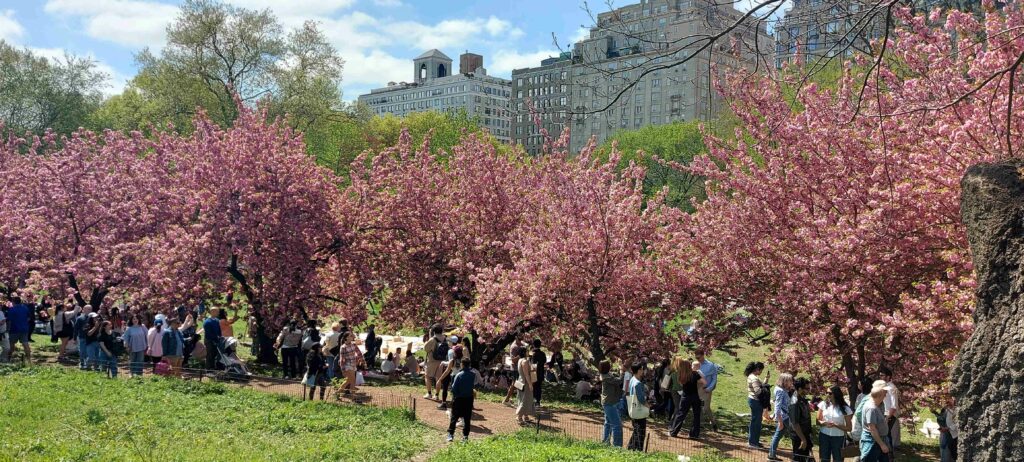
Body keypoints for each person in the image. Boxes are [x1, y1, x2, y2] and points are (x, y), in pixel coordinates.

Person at [669, 359, 707, 439]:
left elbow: (680, 383)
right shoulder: (695, 374)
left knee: (681, 414)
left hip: (686, 396)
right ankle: (694, 434)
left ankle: (673, 432)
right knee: (696, 415)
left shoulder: (681, 374)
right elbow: (704, 382)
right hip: (695, 396)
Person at [446, 352, 477, 442]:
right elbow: (474, 384)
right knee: (467, 418)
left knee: (454, 417)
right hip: (469, 399)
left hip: (459, 398)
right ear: (469, 365)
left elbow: (454, 388)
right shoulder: (472, 374)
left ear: (462, 365)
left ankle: (450, 434)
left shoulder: (458, 375)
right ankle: (465, 437)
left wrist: (455, 396)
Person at [818, 384, 854, 462]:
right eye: (826, 392)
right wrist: (824, 423)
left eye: (830, 393)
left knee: (838, 460)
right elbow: (818, 420)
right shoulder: (823, 404)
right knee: (824, 459)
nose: (827, 395)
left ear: (836, 394)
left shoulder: (845, 408)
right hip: (824, 436)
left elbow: (849, 428)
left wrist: (836, 425)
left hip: (838, 438)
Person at [860, 382, 892, 462]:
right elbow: (872, 429)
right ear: (880, 393)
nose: (886, 394)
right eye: (885, 392)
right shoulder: (871, 408)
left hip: (878, 441)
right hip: (873, 443)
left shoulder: (878, 405)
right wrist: (882, 445)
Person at [768, 373, 795, 461]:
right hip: (783, 417)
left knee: (778, 434)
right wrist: (780, 421)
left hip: (785, 416)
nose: (792, 382)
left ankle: (772, 454)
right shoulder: (780, 391)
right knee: (779, 434)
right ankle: (772, 455)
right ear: (785, 381)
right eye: (790, 380)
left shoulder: (782, 389)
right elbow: (777, 406)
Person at [598, 360, 623, 447]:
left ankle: (605, 442)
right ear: (607, 367)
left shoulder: (606, 375)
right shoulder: (607, 378)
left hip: (608, 402)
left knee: (608, 423)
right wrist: (622, 371)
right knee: (617, 425)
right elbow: (619, 381)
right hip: (610, 403)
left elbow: (614, 377)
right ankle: (617, 446)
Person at [790, 377, 814, 462]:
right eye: (807, 388)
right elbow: (795, 424)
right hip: (799, 436)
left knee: (805, 458)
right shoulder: (795, 403)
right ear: (800, 389)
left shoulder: (802, 398)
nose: (809, 390)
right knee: (798, 459)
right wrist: (803, 440)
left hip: (805, 434)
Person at [879, 365, 900, 460]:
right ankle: (887, 456)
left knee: (886, 435)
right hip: (884, 414)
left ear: (888, 377)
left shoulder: (892, 387)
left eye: (882, 375)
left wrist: (888, 417)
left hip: (889, 414)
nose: (881, 377)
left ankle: (889, 457)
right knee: (885, 435)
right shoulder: (885, 386)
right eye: (880, 375)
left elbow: (894, 405)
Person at [694, 349, 718, 432]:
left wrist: (709, 388)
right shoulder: (695, 364)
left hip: (706, 389)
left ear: (703, 355)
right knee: (698, 407)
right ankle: (699, 424)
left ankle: (713, 422)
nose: (698, 359)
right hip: (696, 389)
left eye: (699, 357)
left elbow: (714, 379)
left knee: (706, 408)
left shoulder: (710, 365)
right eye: (696, 357)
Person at [626, 363, 648, 451]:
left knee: (636, 429)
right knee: (640, 431)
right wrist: (647, 405)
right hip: (639, 410)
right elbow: (641, 398)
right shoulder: (638, 383)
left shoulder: (632, 379)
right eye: (642, 369)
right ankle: (638, 450)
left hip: (633, 407)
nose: (643, 371)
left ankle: (631, 447)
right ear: (638, 370)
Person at [746, 361, 768, 448]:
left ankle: (753, 440)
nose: (761, 372)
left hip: (752, 400)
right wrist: (766, 390)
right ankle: (753, 442)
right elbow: (758, 391)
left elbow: (761, 385)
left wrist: (766, 379)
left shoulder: (751, 376)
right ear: (757, 369)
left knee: (755, 421)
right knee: (756, 422)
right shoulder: (754, 378)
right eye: (761, 370)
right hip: (756, 401)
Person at [6, 297, 32, 363]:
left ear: (13, 302)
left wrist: (7, 329)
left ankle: (9, 358)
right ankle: (29, 359)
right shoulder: (25, 308)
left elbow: (9, 321)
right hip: (24, 329)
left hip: (14, 329)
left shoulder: (12, 309)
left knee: (11, 344)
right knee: (25, 344)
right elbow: (29, 318)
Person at [423, 325, 446, 400]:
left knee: (427, 376)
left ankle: (429, 393)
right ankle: (436, 395)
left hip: (432, 360)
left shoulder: (433, 339)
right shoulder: (444, 338)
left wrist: (429, 337)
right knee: (438, 378)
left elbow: (426, 349)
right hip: (441, 360)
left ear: (433, 331)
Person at [514, 346, 536, 424]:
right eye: (527, 351)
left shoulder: (520, 360)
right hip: (525, 383)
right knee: (525, 399)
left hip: (520, 382)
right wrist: (530, 384)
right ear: (524, 352)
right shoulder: (525, 361)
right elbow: (526, 374)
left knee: (522, 399)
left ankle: (526, 416)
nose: (528, 352)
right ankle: (519, 417)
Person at [73, 305, 93, 369]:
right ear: (83, 310)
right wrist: (74, 338)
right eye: (87, 309)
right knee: (82, 351)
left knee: (90, 352)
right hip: (82, 337)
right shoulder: (80, 318)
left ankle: (88, 364)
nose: (89, 310)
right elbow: (76, 329)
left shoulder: (93, 318)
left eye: (90, 309)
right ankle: (82, 363)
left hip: (91, 338)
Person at [530, 339, 547, 407]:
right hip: (541, 373)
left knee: (533, 387)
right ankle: (538, 401)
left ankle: (533, 400)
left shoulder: (532, 354)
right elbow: (544, 361)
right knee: (539, 387)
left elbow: (532, 364)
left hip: (534, 373)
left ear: (533, 345)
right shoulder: (542, 353)